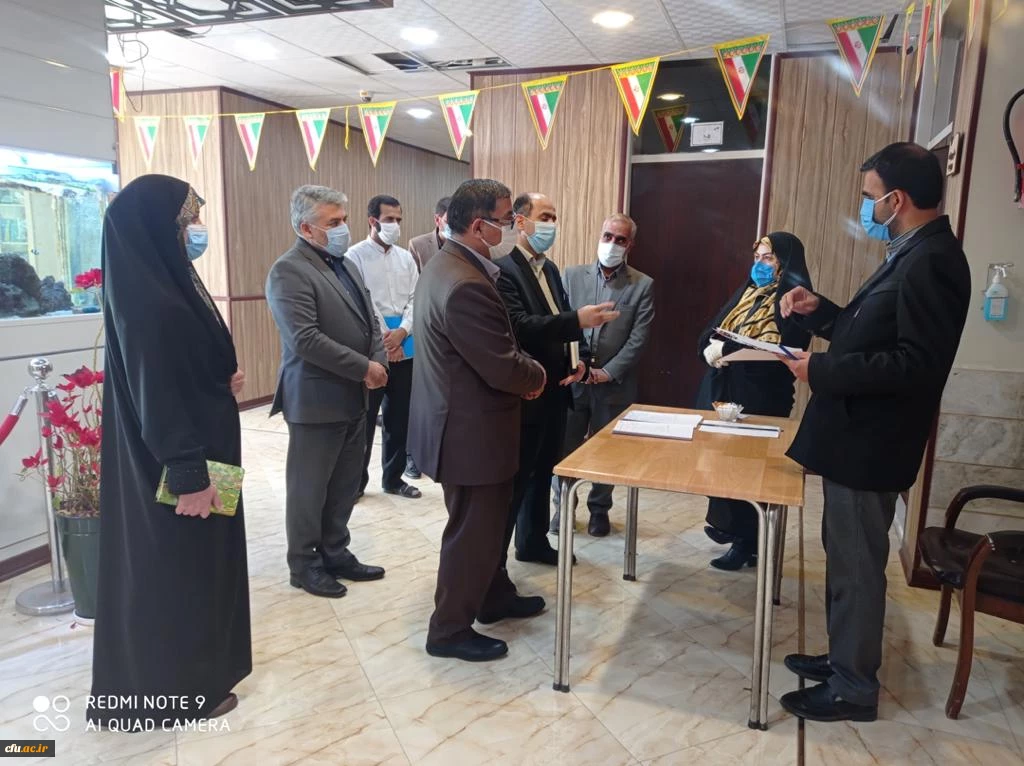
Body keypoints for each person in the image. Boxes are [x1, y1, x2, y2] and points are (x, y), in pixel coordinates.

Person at [778, 143, 970, 723]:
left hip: (871, 445)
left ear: (897, 199)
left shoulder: (933, 260)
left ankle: (853, 688)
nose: (866, 208)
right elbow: (871, 332)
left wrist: (821, 371)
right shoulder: (909, 250)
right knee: (844, 559)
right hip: (853, 440)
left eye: (870, 198)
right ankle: (844, 658)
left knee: (858, 567)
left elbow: (915, 365)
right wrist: (818, 311)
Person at [89, 174, 251, 727]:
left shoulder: (165, 283)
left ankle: (202, 674)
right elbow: (154, 391)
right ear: (158, 227)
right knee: (180, 570)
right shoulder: (149, 302)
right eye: (187, 219)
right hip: (182, 461)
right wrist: (187, 473)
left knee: (202, 565)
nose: (195, 230)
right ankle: (176, 691)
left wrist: (217, 380)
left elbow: (182, 368)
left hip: (203, 446)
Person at [408, 178, 546, 662]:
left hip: (464, 423)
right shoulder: (465, 282)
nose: (511, 226)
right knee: (472, 533)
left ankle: (493, 596)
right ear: (477, 224)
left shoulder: (447, 263)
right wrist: (537, 374)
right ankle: (448, 630)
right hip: (470, 432)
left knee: (486, 526)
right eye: (506, 219)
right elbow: (501, 364)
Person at [266, 185, 388, 599]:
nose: (343, 229)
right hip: (316, 399)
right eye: (333, 222)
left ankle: (336, 552)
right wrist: (364, 367)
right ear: (306, 228)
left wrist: (379, 361)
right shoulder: (288, 271)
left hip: (355, 396)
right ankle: (303, 564)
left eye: (343, 220)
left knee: (344, 484)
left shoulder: (345, 264)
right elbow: (305, 338)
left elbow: (370, 321)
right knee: (309, 488)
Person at [495, 192, 619, 565]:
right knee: (518, 480)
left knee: (543, 471)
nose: (552, 224)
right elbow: (522, 326)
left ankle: (532, 543)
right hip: (527, 392)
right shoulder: (504, 271)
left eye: (554, 217)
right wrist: (578, 319)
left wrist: (580, 360)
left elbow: (561, 320)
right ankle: (495, 563)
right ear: (520, 222)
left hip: (557, 388)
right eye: (545, 217)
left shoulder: (549, 269)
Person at [696, 232, 812, 570]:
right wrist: (711, 348)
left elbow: (783, 348)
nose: (759, 265)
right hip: (724, 391)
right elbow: (712, 330)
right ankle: (732, 527)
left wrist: (727, 348)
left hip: (763, 397)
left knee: (751, 471)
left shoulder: (796, 301)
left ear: (785, 264)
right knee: (720, 465)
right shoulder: (747, 292)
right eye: (757, 257)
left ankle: (748, 541)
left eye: (768, 258)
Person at [553, 214, 654, 537]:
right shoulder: (571, 276)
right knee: (564, 449)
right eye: (608, 236)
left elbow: (638, 338)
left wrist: (606, 373)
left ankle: (600, 510)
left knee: (607, 452)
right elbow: (561, 324)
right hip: (573, 381)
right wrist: (576, 366)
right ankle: (563, 508)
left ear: (630, 245)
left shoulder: (642, 285)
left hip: (614, 385)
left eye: (620, 239)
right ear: (600, 236)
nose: (612, 244)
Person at [346, 194, 422, 500]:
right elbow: (362, 300)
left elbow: (416, 298)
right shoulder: (354, 256)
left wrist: (402, 331)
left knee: (399, 419)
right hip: (372, 349)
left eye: (398, 219)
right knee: (365, 421)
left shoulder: (406, 258)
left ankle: (393, 478)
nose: (395, 225)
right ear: (372, 221)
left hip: (406, 344)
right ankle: (356, 484)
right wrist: (386, 339)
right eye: (389, 219)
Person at [404, 195, 451, 480]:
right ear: (438, 220)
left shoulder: (470, 245)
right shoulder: (419, 245)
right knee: (417, 397)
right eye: (449, 220)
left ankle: (438, 450)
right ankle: (413, 456)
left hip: (453, 331)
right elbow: (414, 290)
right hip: (425, 328)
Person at [408, 195, 450, 272]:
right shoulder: (417, 245)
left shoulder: (466, 244)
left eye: (457, 221)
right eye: (448, 221)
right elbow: (413, 277)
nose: (454, 226)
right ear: (437, 220)